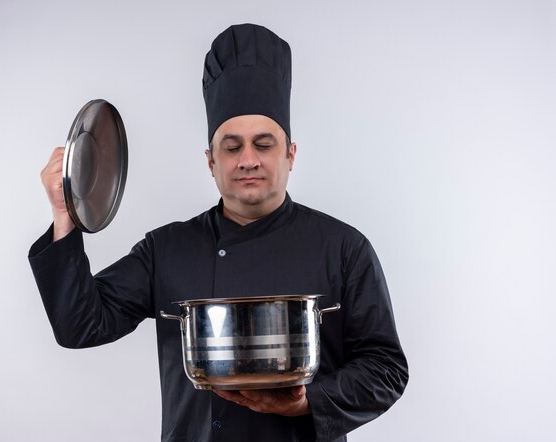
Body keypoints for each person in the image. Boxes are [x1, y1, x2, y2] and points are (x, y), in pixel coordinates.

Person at [29, 23, 408, 441]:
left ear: (291, 155)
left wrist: (308, 401)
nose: (247, 160)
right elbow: (79, 326)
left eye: (263, 144)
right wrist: (65, 213)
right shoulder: (166, 249)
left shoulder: (343, 248)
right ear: (211, 160)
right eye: (231, 147)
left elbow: (386, 369)